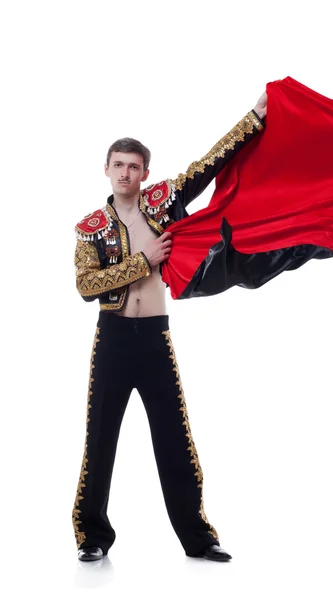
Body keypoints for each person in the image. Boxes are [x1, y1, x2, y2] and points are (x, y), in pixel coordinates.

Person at [72, 92, 267, 562]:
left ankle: (199, 539)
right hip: (114, 339)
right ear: (106, 169)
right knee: (100, 440)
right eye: (118, 165)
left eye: (134, 166)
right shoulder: (89, 227)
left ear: (145, 172)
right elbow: (86, 286)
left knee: (175, 438)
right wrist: (144, 261)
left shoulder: (162, 202)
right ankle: (92, 537)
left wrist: (256, 118)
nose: (125, 173)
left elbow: (208, 165)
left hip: (156, 336)